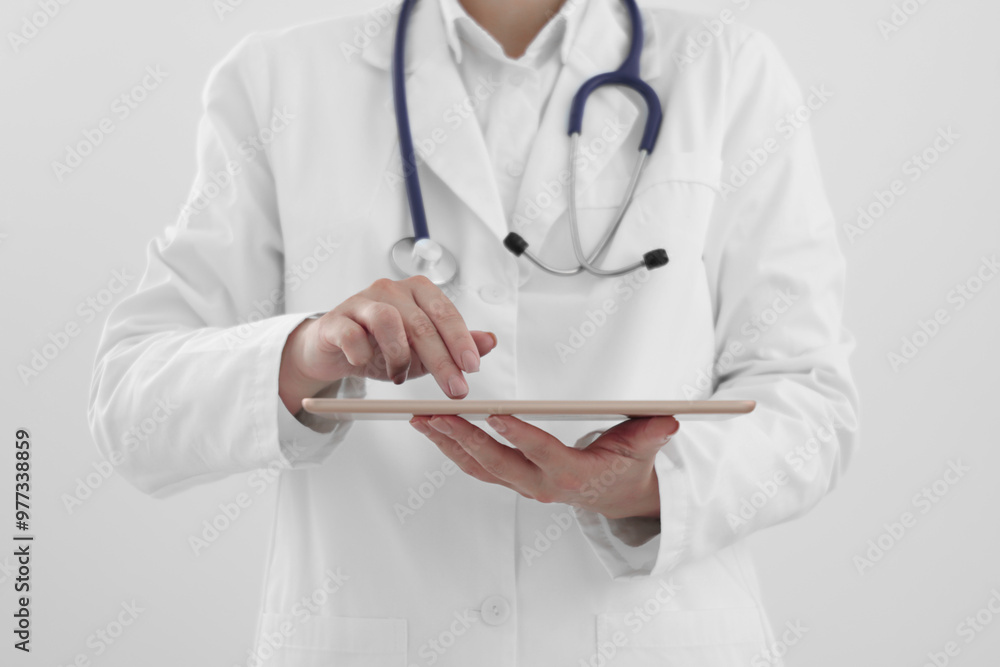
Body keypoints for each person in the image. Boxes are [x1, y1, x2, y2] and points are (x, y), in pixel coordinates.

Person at [88, 0, 860, 663]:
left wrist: (651, 488)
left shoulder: (726, 70)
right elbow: (131, 406)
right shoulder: (277, 81)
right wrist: (305, 353)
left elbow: (809, 396)